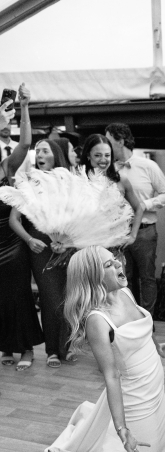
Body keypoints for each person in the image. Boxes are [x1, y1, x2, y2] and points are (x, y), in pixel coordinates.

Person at [40, 246, 165, 452]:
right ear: (93, 278)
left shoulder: (125, 292)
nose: (119, 264)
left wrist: (155, 345)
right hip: (136, 399)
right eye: (108, 265)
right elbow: (111, 376)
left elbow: (141, 326)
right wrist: (122, 429)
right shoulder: (97, 320)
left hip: (156, 390)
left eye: (115, 259)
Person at [9, 139, 70, 368]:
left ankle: (67, 347)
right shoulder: (29, 183)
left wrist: (68, 242)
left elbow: (78, 214)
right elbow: (14, 220)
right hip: (40, 247)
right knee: (50, 298)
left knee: (68, 299)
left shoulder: (68, 181)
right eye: (38, 151)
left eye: (45, 150)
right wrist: (30, 239)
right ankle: (52, 350)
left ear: (56, 154)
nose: (40, 154)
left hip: (67, 245)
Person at [105, 123, 165, 315]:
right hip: (118, 233)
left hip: (145, 231)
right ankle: (129, 318)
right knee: (123, 277)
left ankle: (147, 319)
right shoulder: (108, 170)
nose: (105, 146)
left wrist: (146, 205)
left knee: (147, 277)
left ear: (120, 141)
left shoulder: (148, 166)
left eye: (108, 141)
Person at [0, 84, 43, 371]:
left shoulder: (6, 167)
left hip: (12, 240)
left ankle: (26, 347)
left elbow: (25, 145)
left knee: (18, 293)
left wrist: (24, 107)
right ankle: (6, 344)